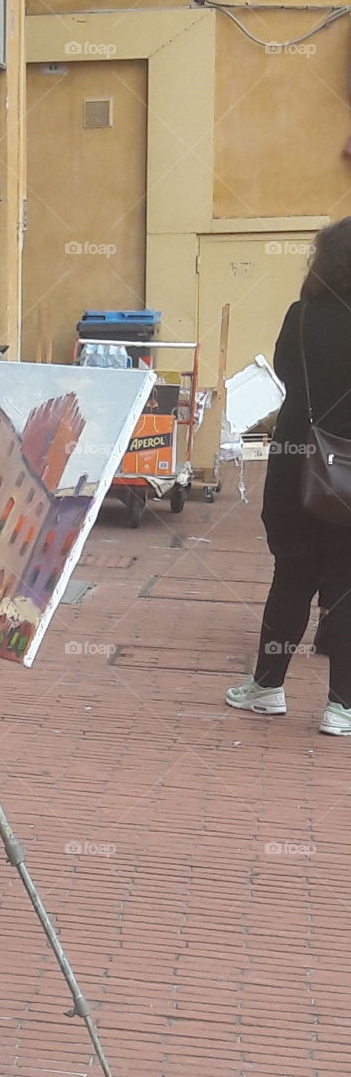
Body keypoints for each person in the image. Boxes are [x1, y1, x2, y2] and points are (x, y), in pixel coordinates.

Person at [225, 217, 351, 735]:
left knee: (291, 576)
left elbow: (284, 374)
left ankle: (268, 687)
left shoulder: (301, 316)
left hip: (298, 467)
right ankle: (341, 707)